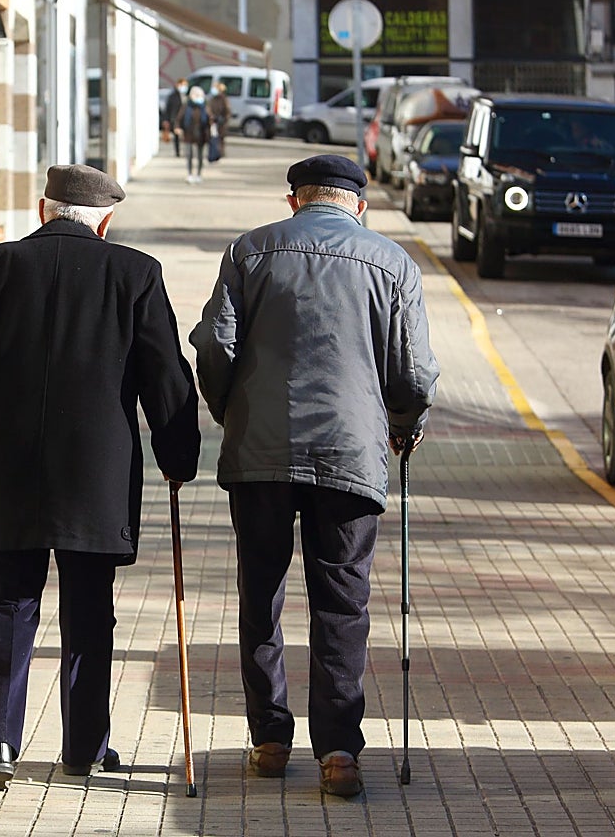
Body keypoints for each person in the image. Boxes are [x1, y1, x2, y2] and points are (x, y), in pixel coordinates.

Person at [0, 164, 201, 793]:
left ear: (43, 209)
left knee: (6, 602)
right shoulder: (135, 274)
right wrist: (177, 456)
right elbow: (167, 377)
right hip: (94, 476)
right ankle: (83, 745)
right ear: (104, 222)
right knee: (88, 608)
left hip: (5, 470)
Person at [188, 154, 439, 797]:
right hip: (352, 456)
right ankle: (338, 753)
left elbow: (215, 348)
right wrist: (403, 426)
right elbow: (412, 374)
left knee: (260, 595)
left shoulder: (250, 252)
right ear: (359, 205)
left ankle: (270, 739)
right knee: (342, 603)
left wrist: (230, 411)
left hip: (260, 455)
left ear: (294, 199)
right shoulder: (393, 263)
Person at [176, 85, 211, 184]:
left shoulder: (204, 107)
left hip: (201, 135)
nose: (197, 97)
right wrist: (178, 127)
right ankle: (190, 174)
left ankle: (199, 174)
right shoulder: (186, 107)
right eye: (195, 95)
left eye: (199, 95)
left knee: (200, 156)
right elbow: (179, 118)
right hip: (189, 134)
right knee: (189, 155)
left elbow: (209, 120)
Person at [163, 79, 188, 158]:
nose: (184, 87)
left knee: (186, 135)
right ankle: (177, 152)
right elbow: (168, 108)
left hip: (185, 118)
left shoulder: (186, 96)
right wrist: (166, 119)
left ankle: (186, 151)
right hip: (175, 119)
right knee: (176, 136)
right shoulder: (173, 96)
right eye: (182, 85)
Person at [208, 82, 232, 159]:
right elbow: (209, 108)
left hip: (221, 122)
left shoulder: (223, 99)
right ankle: (215, 152)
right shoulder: (212, 99)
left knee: (221, 138)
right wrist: (211, 116)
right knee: (214, 137)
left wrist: (224, 119)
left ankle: (220, 152)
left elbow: (227, 111)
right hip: (213, 121)